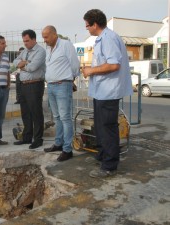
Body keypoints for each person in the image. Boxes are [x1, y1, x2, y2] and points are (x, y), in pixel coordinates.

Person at [82, 9, 133, 178]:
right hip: (102, 91)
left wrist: (90, 70)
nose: (87, 28)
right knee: (101, 126)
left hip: (108, 91)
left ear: (95, 24)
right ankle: (103, 154)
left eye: (88, 25)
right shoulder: (102, 39)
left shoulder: (109, 38)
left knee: (107, 127)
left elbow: (113, 65)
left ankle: (110, 165)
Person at [42, 25, 80, 161]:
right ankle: (58, 144)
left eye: (46, 37)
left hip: (63, 85)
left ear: (54, 34)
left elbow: (75, 64)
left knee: (65, 118)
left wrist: (71, 80)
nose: (44, 40)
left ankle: (67, 149)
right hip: (51, 86)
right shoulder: (48, 49)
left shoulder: (65, 44)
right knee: (57, 117)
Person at [13, 29, 46, 149]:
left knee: (36, 113)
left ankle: (38, 139)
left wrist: (23, 65)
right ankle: (27, 137)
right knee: (25, 112)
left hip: (34, 85)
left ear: (34, 39)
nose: (25, 43)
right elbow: (15, 62)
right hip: (23, 85)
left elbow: (33, 67)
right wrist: (23, 63)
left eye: (27, 41)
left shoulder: (40, 51)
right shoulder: (25, 51)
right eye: (24, 41)